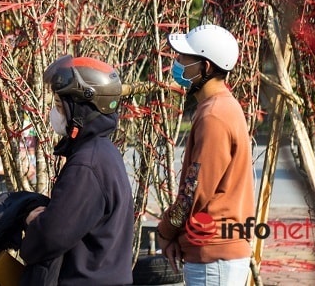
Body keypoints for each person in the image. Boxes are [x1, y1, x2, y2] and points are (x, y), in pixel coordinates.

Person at [19, 55, 134, 285]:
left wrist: (31, 223)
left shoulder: (87, 165)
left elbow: (51, 237)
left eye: (60, 106)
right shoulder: (103, 151)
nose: (55, 113)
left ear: (80, 109)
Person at [157, 24, 253, 285]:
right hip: (215, 251)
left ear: (206, 67)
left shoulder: (214, 116)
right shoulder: (220, 107)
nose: (177, 63)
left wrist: (165, 231)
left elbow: (193, 192)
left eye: (184, 58)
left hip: (214, 255)